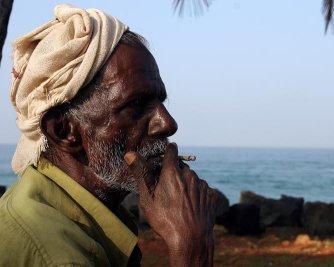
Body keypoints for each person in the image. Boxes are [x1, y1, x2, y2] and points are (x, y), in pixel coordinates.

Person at [0, 4, 218, 267]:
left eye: (161, 101)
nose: (168, 124)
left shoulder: (52, 206)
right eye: (136, 104)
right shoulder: (60, 259)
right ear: (65, 131)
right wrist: (193, 249)